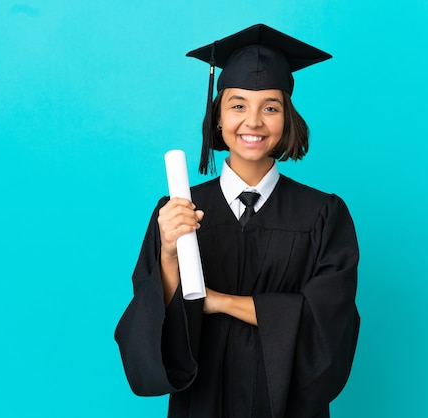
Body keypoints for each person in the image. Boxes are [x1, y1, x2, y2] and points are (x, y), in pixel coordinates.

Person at [115, 24, 360, 418]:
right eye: (238, 105)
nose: (254, 122)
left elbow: (329, 320)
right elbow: (152, 327)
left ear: (287, 119)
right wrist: (167, 255)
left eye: (271, 107)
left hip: (286, 405)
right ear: (217, 118)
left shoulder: (323, 214)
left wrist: (222, 302)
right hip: (203, 401)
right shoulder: (178, 209)